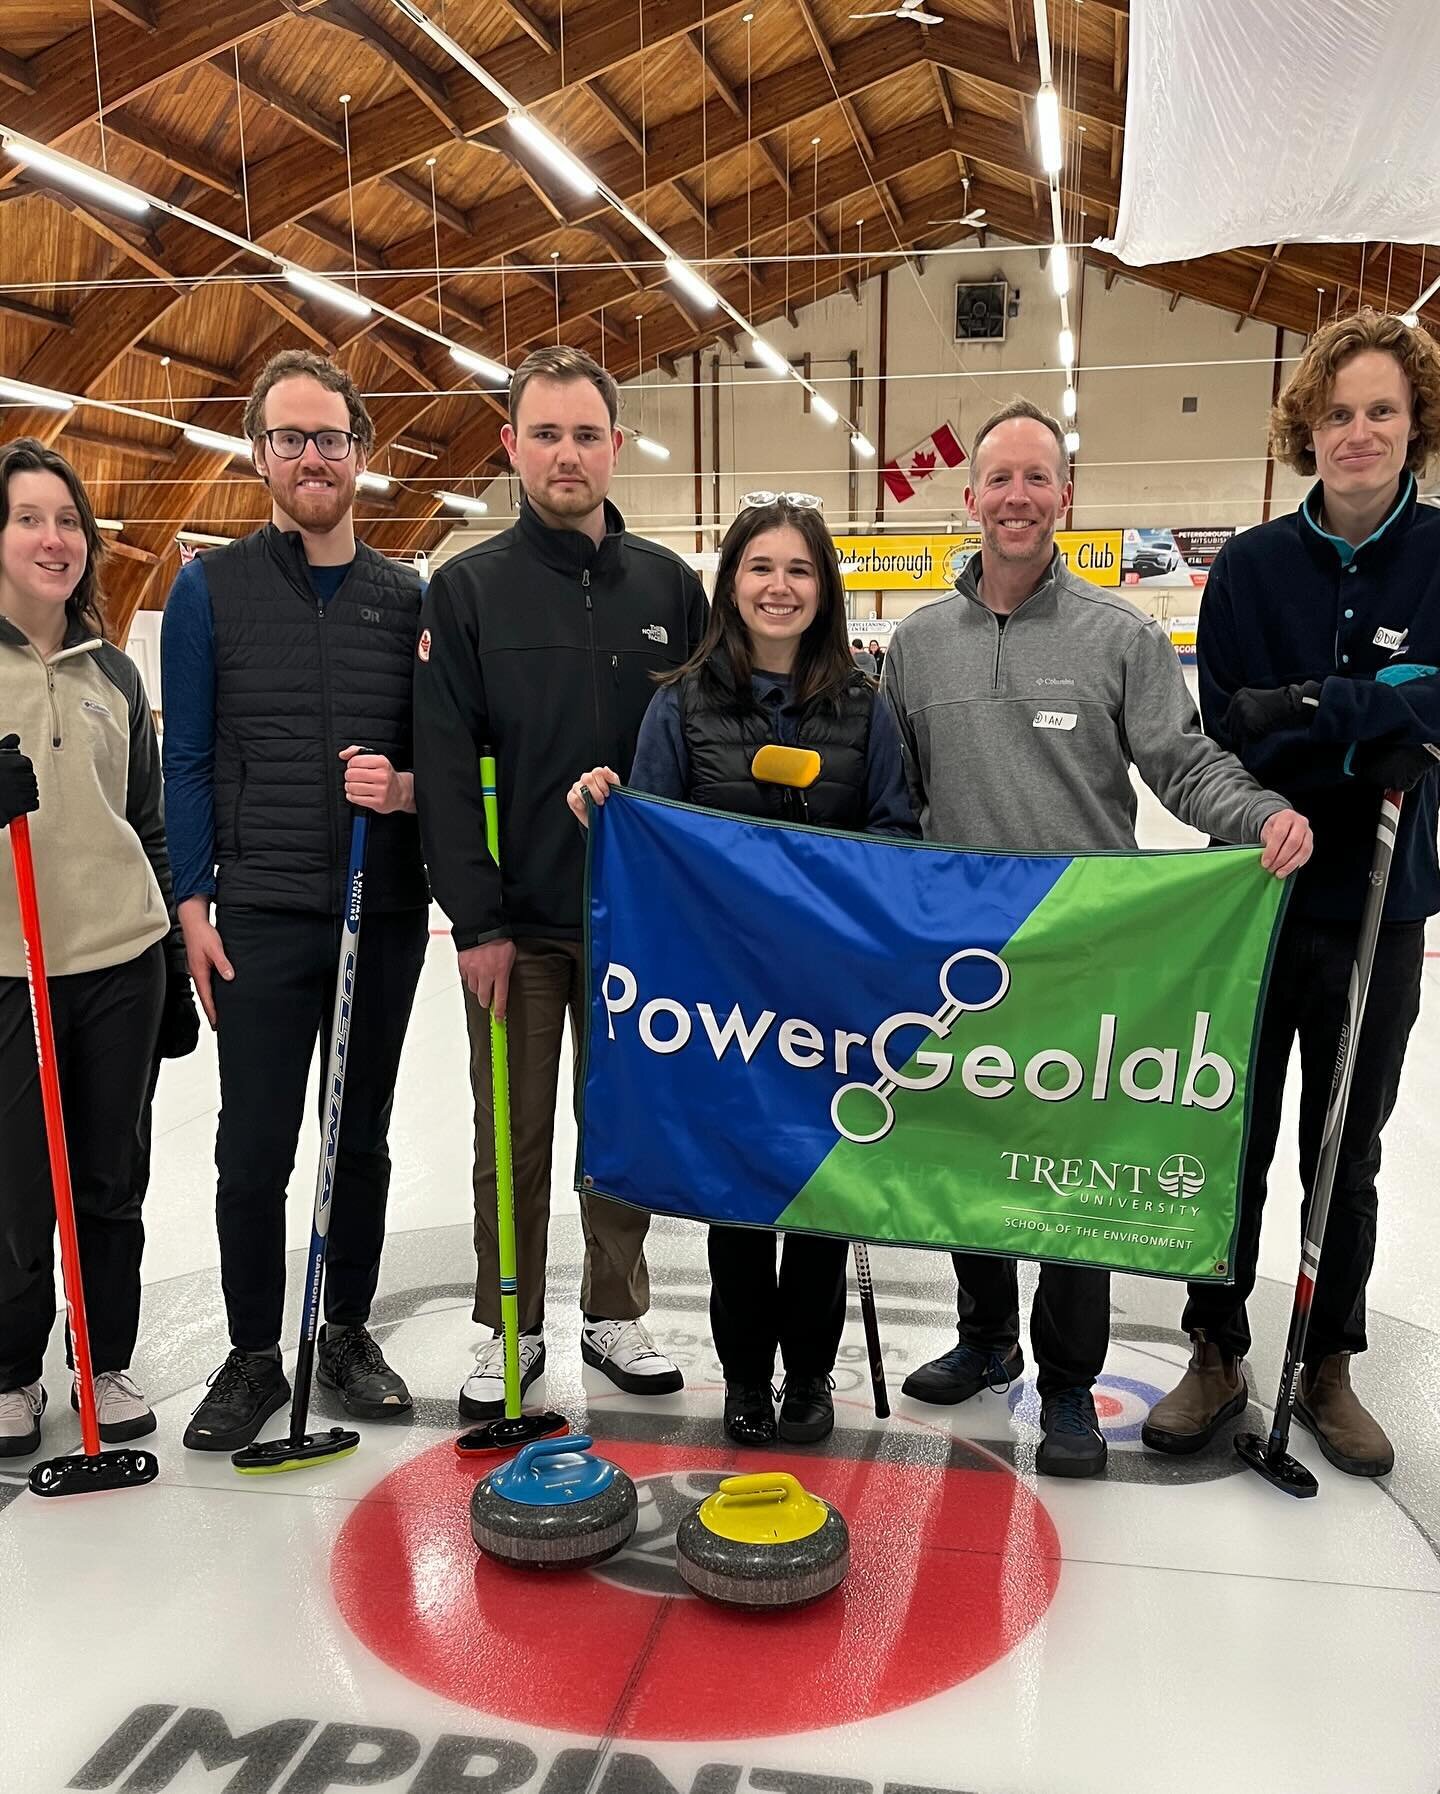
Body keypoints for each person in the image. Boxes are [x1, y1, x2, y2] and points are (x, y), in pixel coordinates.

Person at [885, 398, 1312, 1479]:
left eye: (1038, 479)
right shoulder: (917, 645)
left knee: (1066, 1174)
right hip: (960, 954)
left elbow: (1185, 764)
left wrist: (1260, 813)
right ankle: (984, 1339)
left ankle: (1066, 1384)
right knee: (965, 1160)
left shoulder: (1119, 636)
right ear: (969, 499)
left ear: (1065, 499)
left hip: (1082, 955)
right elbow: (888, 795)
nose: (1018, 497)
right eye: (1000, 479)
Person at [1144, 310, 1440, 1478]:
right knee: (1234, 1133)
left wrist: (1315, 704)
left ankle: (1328, 1360)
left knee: (1345, 1143)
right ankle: (1215, 1346)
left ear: (1414, 425)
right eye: (1336, 412)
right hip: (1254, 900)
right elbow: (1229, 730)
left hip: (1382, 898)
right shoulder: (1253, 567)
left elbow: (1424, 719)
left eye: (1380, 410)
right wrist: (1376, 706)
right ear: (1305, 428)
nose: (1357, 431)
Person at [567, 497, 917, 1445]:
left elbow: (896, 836)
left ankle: (809, 1377)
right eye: (761, 567)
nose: (779, 586)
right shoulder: (681, 702)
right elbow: (650, 840)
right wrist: (611, 805)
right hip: (725, 1003)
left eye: (799, 570)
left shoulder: (865, 705)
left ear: (824, 589)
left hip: (826, 1002)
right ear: (732, 584)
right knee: (739, 1198)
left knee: (821, 1192)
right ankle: (746, 1380)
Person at [413, 346, 708, 1422]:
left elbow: (703, 753)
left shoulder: (672, 589)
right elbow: (443, 768)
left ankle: (612, 1309)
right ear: (512, 446)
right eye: (546, 433)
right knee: (515, 1129)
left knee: (624, 1125)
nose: (567, 454)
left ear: (616, 447)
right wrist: (475, 919)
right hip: (519, 927)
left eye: (587, 434)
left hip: (640, 926)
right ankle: (511, 1325)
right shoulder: (470, 588)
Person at [161, 350, 428, 1452]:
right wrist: (191, 901)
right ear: (260, 455)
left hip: (384, 906)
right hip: (260, 912)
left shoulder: (409, 597)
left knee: (355, 1136)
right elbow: (185, 755)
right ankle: (255, 1352)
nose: (310, 458)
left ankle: (348, 1331)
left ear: (362, 455)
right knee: (254, 1144)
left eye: (330, 438)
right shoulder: (205, 589)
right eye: (290, 439)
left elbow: (446, 761)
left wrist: (406, 789)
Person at [0, 438, 196, 1458]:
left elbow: (147, 822)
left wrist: (166, 970)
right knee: (18, 1187)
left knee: (110, 1179)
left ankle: (102, 1360)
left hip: (118, 960)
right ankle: (9, 1370)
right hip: (7, 972)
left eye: (69, 521)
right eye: (30, 517)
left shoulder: (114, 672)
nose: (54, 538)